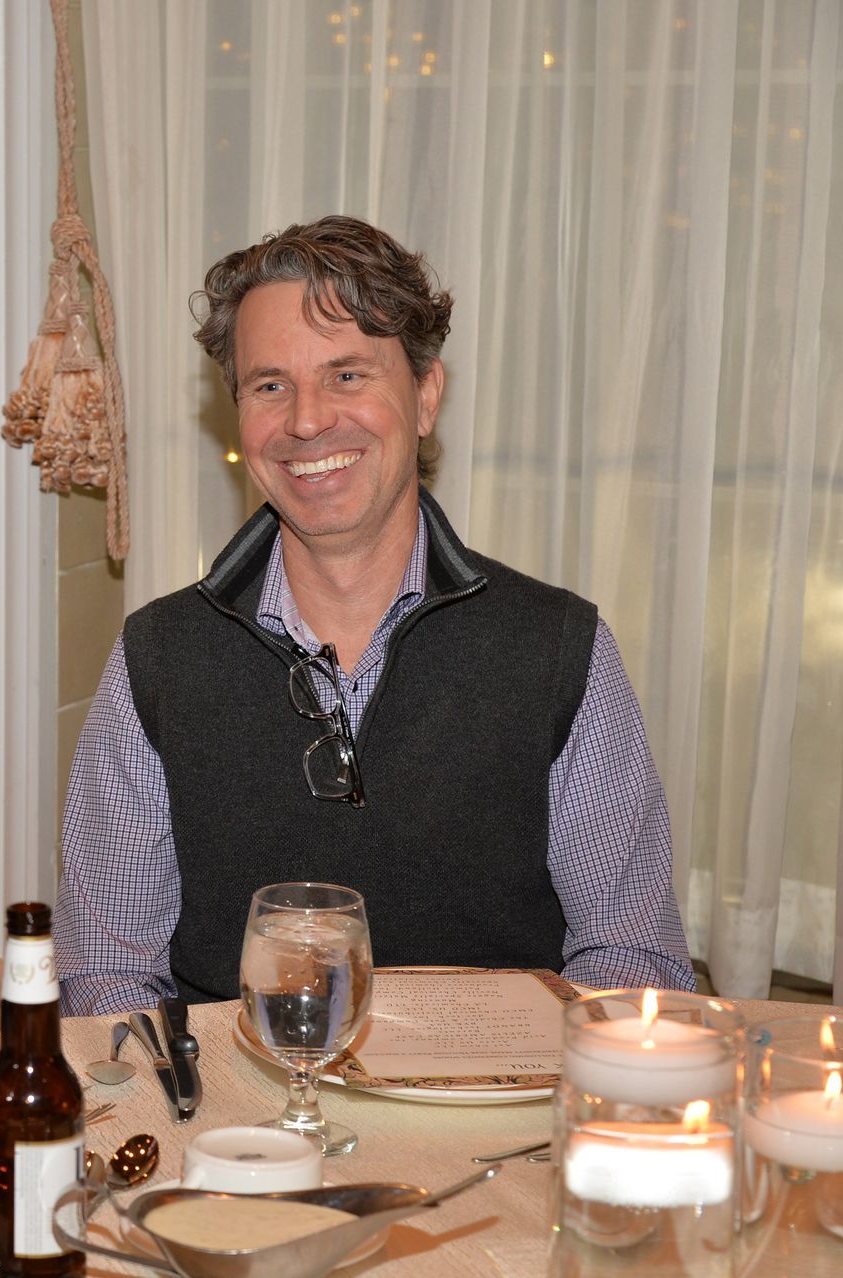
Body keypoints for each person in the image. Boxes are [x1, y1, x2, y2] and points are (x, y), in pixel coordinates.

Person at [55, 215, 693, 1015]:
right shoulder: (158, 657)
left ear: (426, 397)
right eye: (269, 384)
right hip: (239, 1119)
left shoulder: (559, 651)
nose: (308, 420)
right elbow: (105, 979)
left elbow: (631, 965)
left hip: (494, 1120)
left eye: (348, 375)